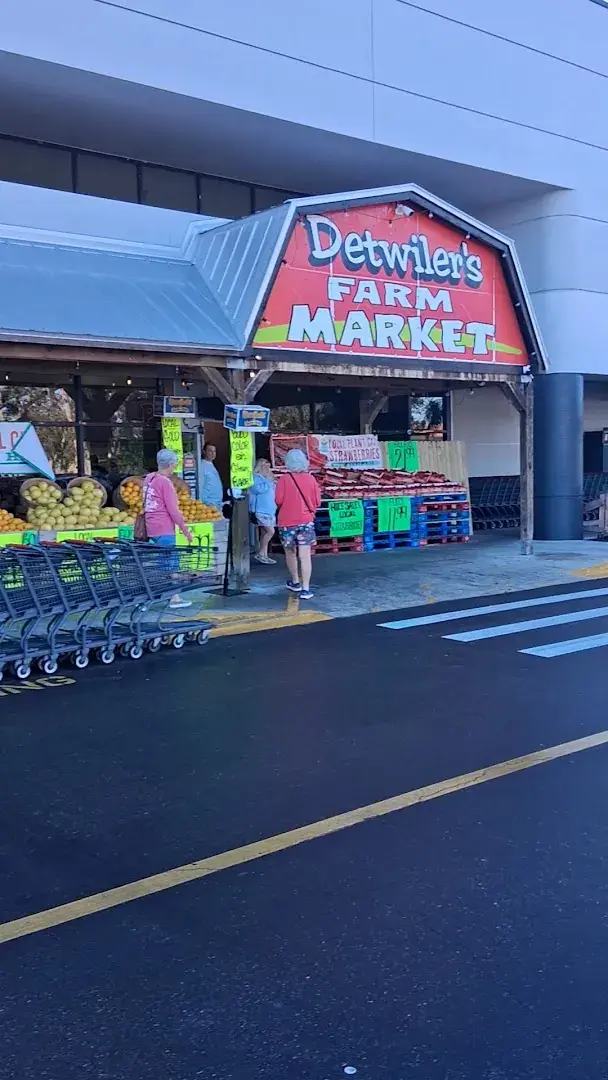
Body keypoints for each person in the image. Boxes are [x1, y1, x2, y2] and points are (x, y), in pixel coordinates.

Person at [143, 448, 193, 609]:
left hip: (151, 526)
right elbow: (173, 511)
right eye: (175, 464)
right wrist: (185, 531)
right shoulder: (165, 483)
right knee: (170, 563)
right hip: (164, 527)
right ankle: (174, 598)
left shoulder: (149, 478)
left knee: (162, 563)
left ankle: (165, 595)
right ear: (171, 464)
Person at [274, 448, 321, 600]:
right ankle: (306, 589)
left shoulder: (283, 480)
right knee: (305, 555)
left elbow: (278, 500)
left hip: (287, 522)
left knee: (290, 552)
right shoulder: (311, 479)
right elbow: (317, 501)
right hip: (306, 521)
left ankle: (295, 582)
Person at [249, 458, 277, 565]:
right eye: (266, 467)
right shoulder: (255, 478)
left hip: (270, 510)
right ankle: (261, 553)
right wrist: (269, 481)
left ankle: (264, 555)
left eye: (269, 467)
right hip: (260, 510)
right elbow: (258, 489)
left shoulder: (267, 479)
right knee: (271, 531)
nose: (268, 469)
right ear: (260, 467)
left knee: (265, 532)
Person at [201, 442, 223, 510]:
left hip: (216, 504)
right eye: (210, 451)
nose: (213, 453)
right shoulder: (202, 466)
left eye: (214, 451)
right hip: (208, 504)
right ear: (204, 452)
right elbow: (200, 485)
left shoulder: (211, 465)